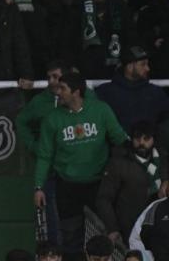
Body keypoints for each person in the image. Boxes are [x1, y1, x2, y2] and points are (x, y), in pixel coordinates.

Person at [33, 70, 128, 251]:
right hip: (67, 185)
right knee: (70, 236)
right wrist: (38, 187)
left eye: (63, 88)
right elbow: (44, 155)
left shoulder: (101, 110)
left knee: (104, 233)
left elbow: (119, 139)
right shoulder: (52, 119)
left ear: (76, 92)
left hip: (98, 183)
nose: (58, 92)